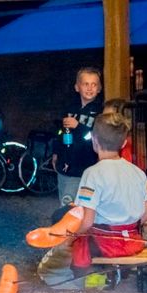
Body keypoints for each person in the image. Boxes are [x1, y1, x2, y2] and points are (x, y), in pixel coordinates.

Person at [71, 112, 147, 270]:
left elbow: (87, 222)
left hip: (104, 244)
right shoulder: (138, 172)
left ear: (94, 140)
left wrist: (69, 239)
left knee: (61, 222)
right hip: (133, 243)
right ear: (123, 143)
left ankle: (78, 280)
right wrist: (124, 226)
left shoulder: (92, 173)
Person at [52, 67, 103, 206]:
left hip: (84, 167)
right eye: (86, 84)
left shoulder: (100, 112)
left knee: (74, 205)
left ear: (99, 89)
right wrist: (55, 153)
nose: (90, 88)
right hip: (65, 165)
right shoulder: (69, 108)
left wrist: (78, 126)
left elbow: (95, 137)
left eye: (94, 84)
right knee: (65, 201)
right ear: (77, 87)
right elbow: (60, 132)